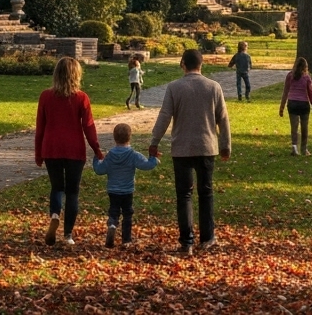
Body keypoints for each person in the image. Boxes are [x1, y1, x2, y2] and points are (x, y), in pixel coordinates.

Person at [149, 49, 231, 256]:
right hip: (206, 146)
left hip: (182, 148)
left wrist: (154, 141)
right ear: (201, 64)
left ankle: (187, 242)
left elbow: (165, 116)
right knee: (206, 193)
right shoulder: (214, 87)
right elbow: (223, 118)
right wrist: (225, 145)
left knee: (184, 195)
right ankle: (207, 237)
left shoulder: (174, 88)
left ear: (183, 64)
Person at [34, 56, 104, 247]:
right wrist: (97, 149)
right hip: (74, 149)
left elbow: (40, 127)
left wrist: (38, 153)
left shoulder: (45, 96)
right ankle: (68, 235)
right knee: (72, 192)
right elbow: (89, 126)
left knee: (57, 187)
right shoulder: (81, 98)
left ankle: (55, 214)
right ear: (77, 75)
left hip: (51, 147)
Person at [92, 122, 158, 248]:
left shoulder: (110, 155)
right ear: (130, 137)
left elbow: (99, 170)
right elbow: (146, 165)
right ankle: (126, 240)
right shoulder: (133, 155)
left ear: (114, 137)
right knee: (128, 214)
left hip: (113, 190)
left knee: (114, 210)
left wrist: (97, 159)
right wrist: (153, 158)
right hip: (127, 190)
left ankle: (112, 224)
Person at [280, 57, 312, 155]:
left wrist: (282, 107)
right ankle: (304, 149)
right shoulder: (307, 77)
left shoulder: (290, 76)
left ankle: (294, 147)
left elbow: (285, 92)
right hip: (303, 104)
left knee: (294, 127)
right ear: (305, 67)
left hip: (292, 103)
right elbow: (311, 93)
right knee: (304, 127)